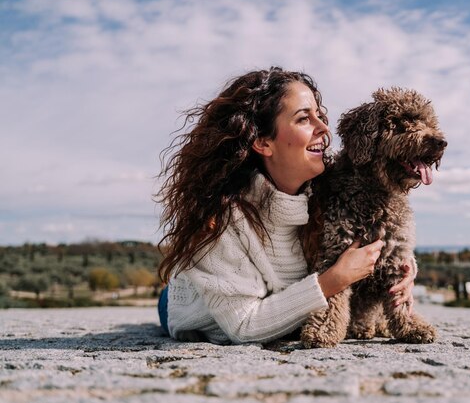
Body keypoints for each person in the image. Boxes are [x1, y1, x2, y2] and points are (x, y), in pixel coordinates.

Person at [156, 67, 415, 344]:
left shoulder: (331, 186)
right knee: (174, 296)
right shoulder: (221, 217)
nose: (324, 128)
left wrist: (403, 269)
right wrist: (333, 281)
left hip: (276, 300)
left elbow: (382, 228)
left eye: (320, 115)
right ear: (263, 142)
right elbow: (243, 325)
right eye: (304, 118)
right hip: (200, 304)